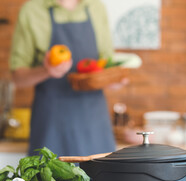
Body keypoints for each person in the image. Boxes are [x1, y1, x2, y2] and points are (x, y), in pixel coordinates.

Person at [10, 0, 124, 156]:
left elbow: (106, 66)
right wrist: (46, 70)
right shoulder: (31, 11)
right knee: (49, 178)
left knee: (99, 178)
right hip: (51, 125)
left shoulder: (96, 7)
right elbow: (17, 78)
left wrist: (114, 80)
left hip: (94, 123)